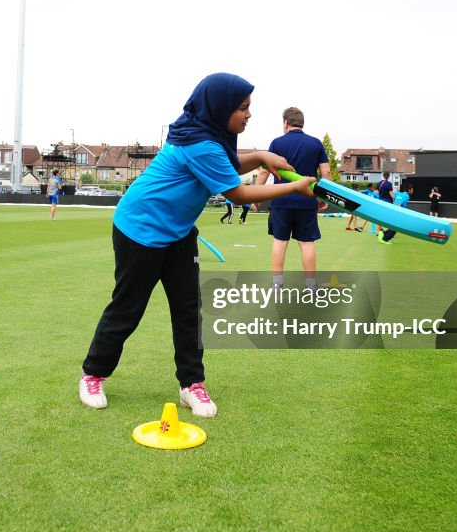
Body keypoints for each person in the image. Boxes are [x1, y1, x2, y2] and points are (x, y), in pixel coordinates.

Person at [78, 73, 314, 418]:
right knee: (128, 308)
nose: (248, 115)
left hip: (177, 233)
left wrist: (263, 156)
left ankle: (191, 384)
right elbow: (237, 192)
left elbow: (229, 167)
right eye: (243, 109)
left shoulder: (207, 136)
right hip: (140, 230)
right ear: (220, 109)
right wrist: (293, 187)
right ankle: (92, 374)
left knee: (189, 310)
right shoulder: (200, 144)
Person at [255, 107, 329, 290]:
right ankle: (311, 286)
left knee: (280, 241)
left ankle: (277, 284)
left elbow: (264, 170)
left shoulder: (277, 143)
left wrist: (255, 195)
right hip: (307, 200)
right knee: (306, 243)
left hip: (281, 200)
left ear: (285, 123)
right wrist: (324, 197)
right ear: (301, 123)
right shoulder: (316, 143)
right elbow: (326, 172)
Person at [377, 172, 396, 244]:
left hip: (380, 202)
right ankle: (388, 233)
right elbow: (391, 194)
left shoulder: (379, 183)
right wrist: (394, 199)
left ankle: (379, 232)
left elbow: (378, 193)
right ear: (388, 176)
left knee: (380, 218)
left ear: (383, 176)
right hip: (388, 202)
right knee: (389, 218)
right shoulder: (389, 184)